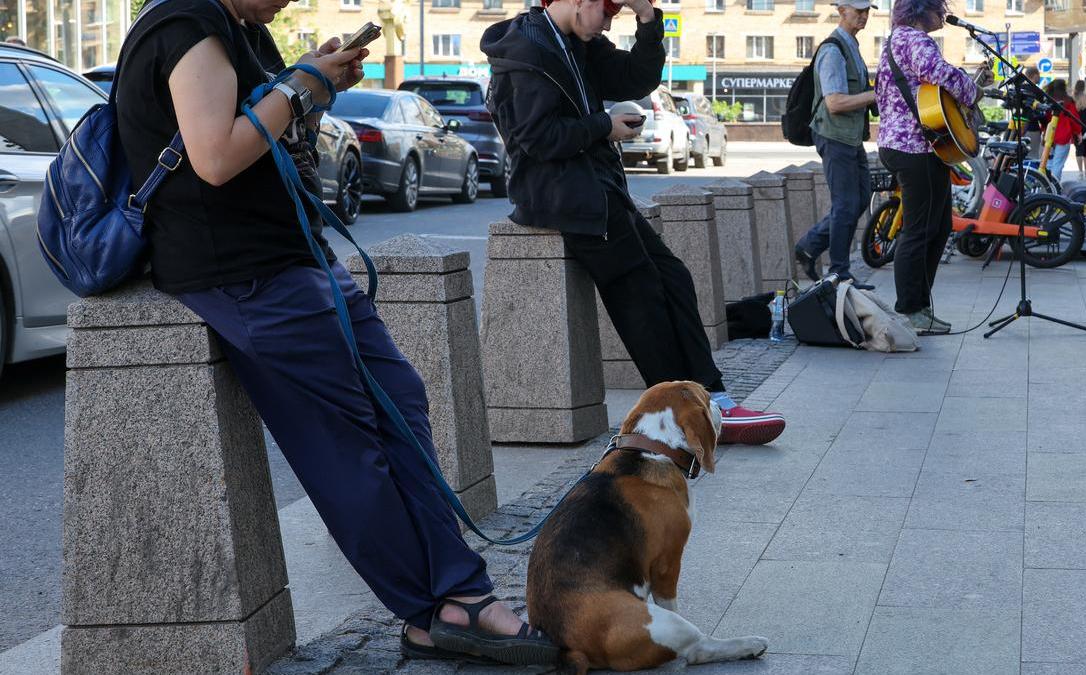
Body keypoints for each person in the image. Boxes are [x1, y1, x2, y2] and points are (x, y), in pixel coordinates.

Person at [115, 0, 558, 665]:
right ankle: (439, 602)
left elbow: (272, 140)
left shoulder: (243, 28)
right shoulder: (184, 23)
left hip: (297, 254)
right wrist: (302, 85)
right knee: (349, 447)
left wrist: (314, 88)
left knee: (400, 399)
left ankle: (449, 594)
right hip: (243, 272)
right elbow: (213, 155)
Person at [482, 0, 787, 444]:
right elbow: (535, 140)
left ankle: (712, 398)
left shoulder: (575, 41)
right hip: (565, 197)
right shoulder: (529, 52)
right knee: (640, 296)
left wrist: (648, 18)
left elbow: (636, 78)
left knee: (674, 277)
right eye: (607, 11)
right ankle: (684, 415)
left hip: (598, 190)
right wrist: (603, 125)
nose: (608, 22)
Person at [875, 0, 989, 334]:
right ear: (921, 10)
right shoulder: (915, 40)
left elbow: (927, 88)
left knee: (937, 228)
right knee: (920, 231)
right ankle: (910, 310)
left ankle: (920, 308)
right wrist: (972, 90)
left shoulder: (896, 40)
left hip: (912, 145)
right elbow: (941, 74)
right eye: (938, 8)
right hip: (915, 147)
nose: (943, 13)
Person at [793, 0, 878, 290]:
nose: (865, 16)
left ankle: (809, 245)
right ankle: (840, 272)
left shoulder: (851, 45)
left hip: (850, 137)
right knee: (845, 204)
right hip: (834, 136)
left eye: (868, 11)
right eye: (859, 11)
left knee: (861, 198)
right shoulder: (833, 50)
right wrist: (874, 95)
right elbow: (835, 102)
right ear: (842, 11)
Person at [1043, 79, 1081, 181]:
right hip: (1064, 135)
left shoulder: (1048, 100)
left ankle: (1046, 184)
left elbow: (1045, 119)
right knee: (1058, 164)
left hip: (1049, 135)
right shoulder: (1068, 101)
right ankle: (1054, 187)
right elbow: (1075, 120)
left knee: (1049, 162)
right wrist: (1078, 132)